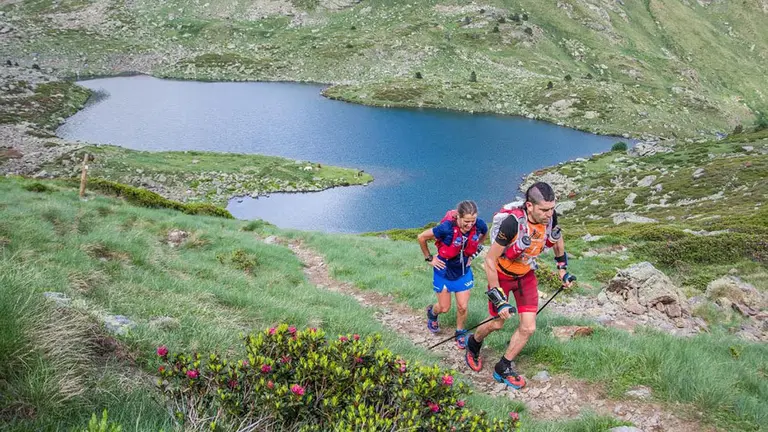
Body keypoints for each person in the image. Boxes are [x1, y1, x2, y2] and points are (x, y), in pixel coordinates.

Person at [464, 182, 575, 389]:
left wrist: (562, 269)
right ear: (529, 206)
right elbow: (490, 259)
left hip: (526, 275)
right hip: (502, 275)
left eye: (552, 209)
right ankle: (474, 343)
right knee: (497, 323)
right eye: (544, 210)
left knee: (529, 327)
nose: (549, 214)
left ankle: (503, 367)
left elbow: (557, 238)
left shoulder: (550, 218)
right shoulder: (512, 223)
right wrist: (498, 298)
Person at [417, 200, 488, 349]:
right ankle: (432, 313)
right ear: (458, 217)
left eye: (472, 221)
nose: (470, 225)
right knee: (444, 308)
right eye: (466, 221)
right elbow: (421, 237)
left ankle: (459, 332)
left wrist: (474, 251)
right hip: (443, 271)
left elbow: (484, 233)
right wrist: (430, 258)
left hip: (463, 272)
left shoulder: (479, 225)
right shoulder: (446, 228)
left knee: (462, 307)